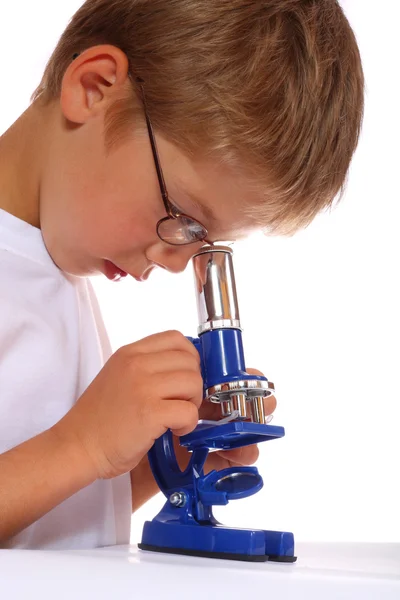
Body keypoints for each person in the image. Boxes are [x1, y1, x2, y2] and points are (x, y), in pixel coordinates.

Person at [0, 0, 364, 549]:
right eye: (184, 220)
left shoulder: (56, 266)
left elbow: (43, 530)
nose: (176, 261)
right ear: (94, 88)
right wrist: (80, 446)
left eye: (204, 241)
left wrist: (155, 456)